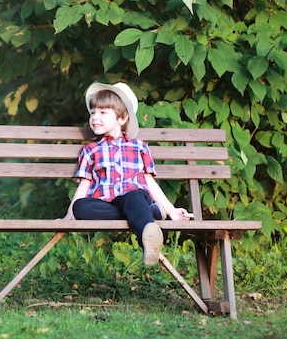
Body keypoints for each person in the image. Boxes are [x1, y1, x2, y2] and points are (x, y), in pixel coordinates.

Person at [62, 82, 191, 266]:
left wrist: (171, 210)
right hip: (104, 202)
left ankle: (148, 237)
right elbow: (84, 184)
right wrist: (70, 215)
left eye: (102, 112)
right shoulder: (90, 150)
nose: (95, 118)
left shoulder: (139, 147)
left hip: (134, 196)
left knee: (135, 197)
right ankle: (147, 215)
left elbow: (149, 182)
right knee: (80, 207)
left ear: (122, 118)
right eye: (92, 112)